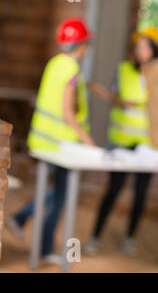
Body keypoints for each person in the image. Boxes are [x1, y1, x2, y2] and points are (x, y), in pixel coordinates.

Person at [5, 18, 95, 263]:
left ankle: (25, 223)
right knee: (62, 194)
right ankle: (41, 243)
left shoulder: (55, 64)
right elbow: (67, 111)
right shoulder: (73, 70)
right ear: (81, 44)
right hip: (61, 145)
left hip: (44, 141)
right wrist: (87, 141)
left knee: (57, 191)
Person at [84, 26, 158, 256]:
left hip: (148, 144)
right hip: (121, 141)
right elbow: (112, 97)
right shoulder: (123, 70)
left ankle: (130, 238)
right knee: (113, 190)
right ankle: (95, 237)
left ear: (155, 50)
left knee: (141, 192)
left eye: (144, 46)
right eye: (137, 46)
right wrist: (121, 102)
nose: (139, 50)